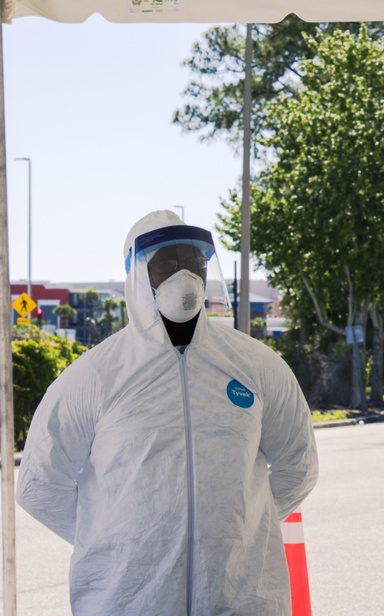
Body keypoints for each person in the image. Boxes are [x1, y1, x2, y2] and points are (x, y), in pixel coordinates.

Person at [16, 210, 319, 615]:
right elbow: (38, 483)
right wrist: (118, 541)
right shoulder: (95, 376)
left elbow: (298, 464)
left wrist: (236, 527)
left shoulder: (255, 366)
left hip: (239, 598)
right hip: (129, 601)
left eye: (194, 261)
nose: (185, 275)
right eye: (166, 263)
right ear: (138, 273)